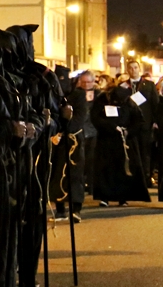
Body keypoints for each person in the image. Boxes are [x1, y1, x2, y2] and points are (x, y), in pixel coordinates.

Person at [91, 75, 150, 206]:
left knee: (123, 170)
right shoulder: (102, 100)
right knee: (106, 170)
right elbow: (96, 118)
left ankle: (123, 197)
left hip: (125, 142)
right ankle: (104, 197)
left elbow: (139, 120)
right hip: (106, 141)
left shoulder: (128, 102)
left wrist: (128, 131)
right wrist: (112, 127)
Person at [52, 70, 94, 222]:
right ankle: (60, 209)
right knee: (58, 174)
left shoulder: (78, 96)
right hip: (58, 140)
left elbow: (79, 118)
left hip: (74, 140)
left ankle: (76, 209)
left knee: (75, 175)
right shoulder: (55, 96)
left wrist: (66, 127)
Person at [119, 61, 159, 186]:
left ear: (139, 69)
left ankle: (146, 177)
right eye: (130, 68)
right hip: (129, 124)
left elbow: (155, 104)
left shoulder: (149, 85)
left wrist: (155, 121)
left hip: (145, 123)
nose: (133, 70)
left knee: (145, 151)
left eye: (135, 67)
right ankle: (133, 179)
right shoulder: (123, 86)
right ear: (127, 70)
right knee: (131, 152)